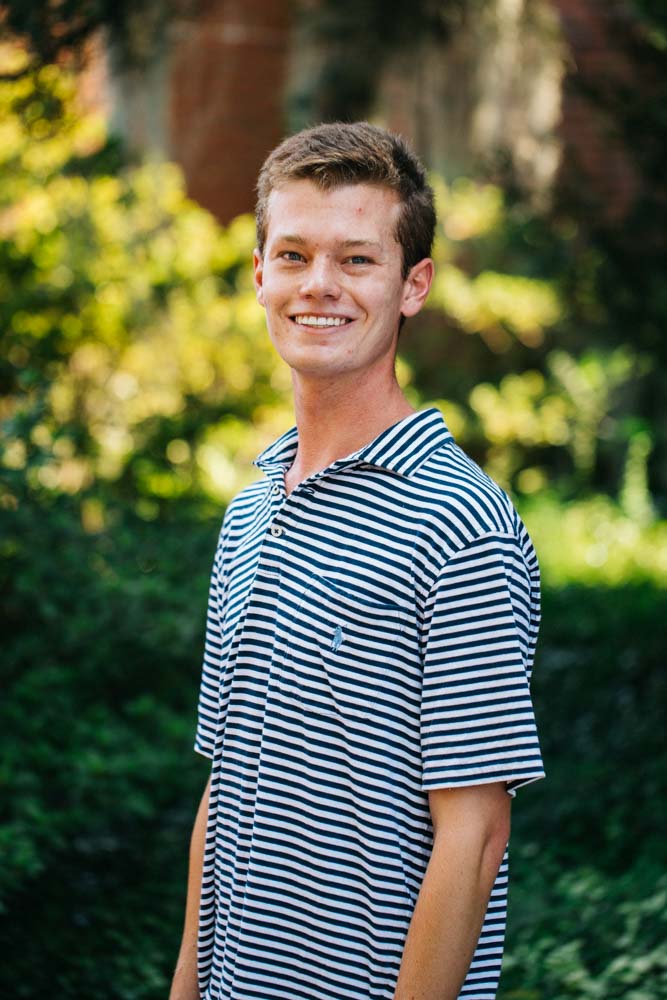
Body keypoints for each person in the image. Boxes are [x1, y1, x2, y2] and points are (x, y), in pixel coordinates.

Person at [170, 121, 544, 1000]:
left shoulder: (462, 525)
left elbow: (475, 838)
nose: (319, 285)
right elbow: (223, 788)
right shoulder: (252, 506)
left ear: (413, 285)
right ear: (259, 275)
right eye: (293, 256)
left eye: (356, 259)